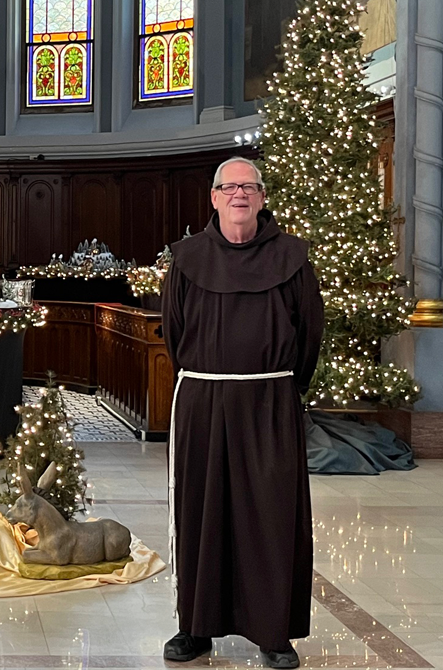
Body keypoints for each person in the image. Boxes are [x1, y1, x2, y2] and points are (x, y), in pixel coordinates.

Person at [160, 157, 324, 669]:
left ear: (262, 196)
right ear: (213, 198)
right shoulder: (186, 259)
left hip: (269, 403)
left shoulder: (293, 258)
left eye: (248, 187)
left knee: (271, 517)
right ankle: (195, 628)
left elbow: (309, 336)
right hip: (204, 402)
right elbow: (173, 331)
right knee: (201, 514)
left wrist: (275, 386)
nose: (239, 195)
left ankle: (273, 633)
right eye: (229, 187)